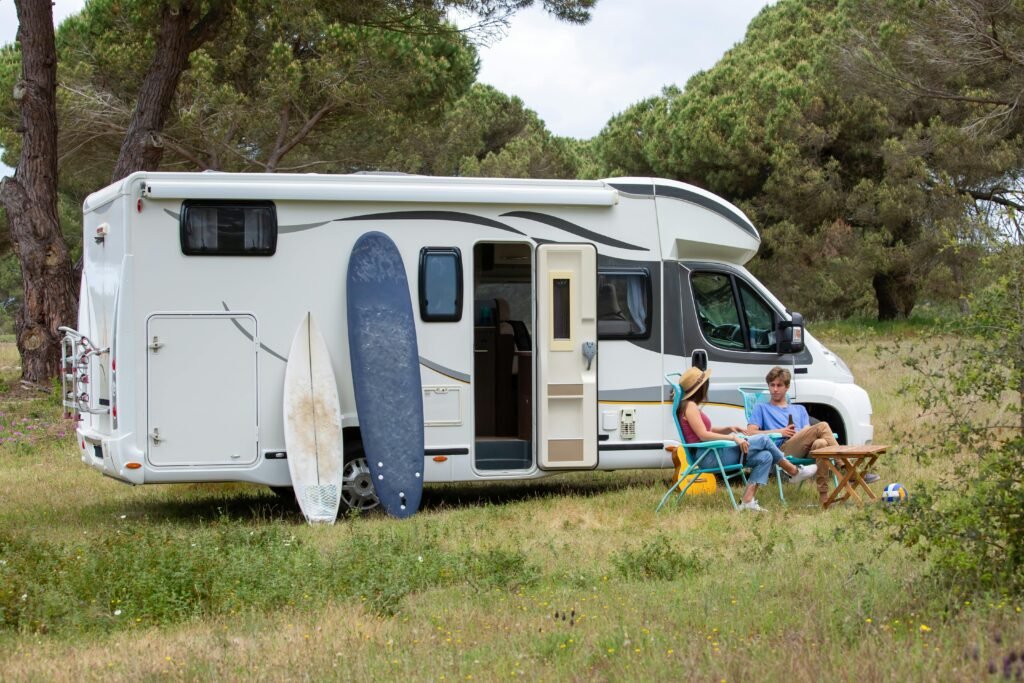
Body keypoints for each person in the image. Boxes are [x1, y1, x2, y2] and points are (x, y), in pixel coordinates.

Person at [676, 367, 816, 512]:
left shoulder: (689, 405)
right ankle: (793, 471)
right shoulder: (691, 406)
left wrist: (728, 428)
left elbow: (704, 431)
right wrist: (733, 438)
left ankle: (747, 501)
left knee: (765, 456)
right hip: (708, 456)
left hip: (711, 452)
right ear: (701, 387)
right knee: (763, 439)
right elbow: (703, 436)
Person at [744, 366, 879, 504]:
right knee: (823, 426)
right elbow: (751, 432)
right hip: (782, 450)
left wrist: (801, 434)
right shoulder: (761, 408)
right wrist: (780, 432)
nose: (775, 389)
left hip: (804, 447)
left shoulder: (799, 409)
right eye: (772, 385)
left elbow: (809, 432)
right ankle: (847, 468)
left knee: (821, 444)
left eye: (779, 385)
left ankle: (824, 497)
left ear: (787, 387)